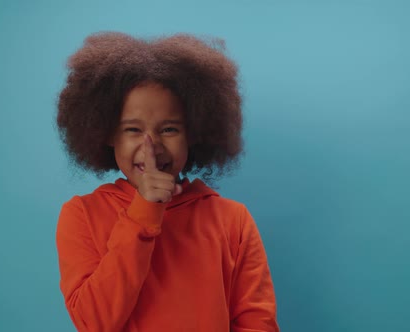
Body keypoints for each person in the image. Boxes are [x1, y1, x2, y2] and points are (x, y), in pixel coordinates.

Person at [55, 31, 279, 332]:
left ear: (195, 132)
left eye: (169, 129)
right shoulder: (81, 215)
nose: (151, 146)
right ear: (107, 134)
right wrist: (143, 212)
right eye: (133, 130)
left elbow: (258, 323)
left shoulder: (233, 220)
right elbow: (94, 322)